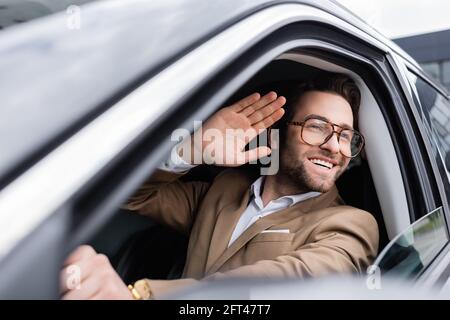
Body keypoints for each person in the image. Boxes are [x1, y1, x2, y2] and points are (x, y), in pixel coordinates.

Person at [60, 74, 379, 300]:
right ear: (277, 134)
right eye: (317, 127)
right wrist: (188, 152)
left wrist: (142, 295)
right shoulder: (223, 190)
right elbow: (130, 196)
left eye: (346, 136)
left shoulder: (352, 224)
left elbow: (284, 285)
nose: (335, 147)